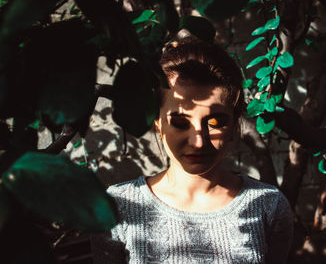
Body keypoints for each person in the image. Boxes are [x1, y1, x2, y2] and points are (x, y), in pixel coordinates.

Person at [91, 33, 293, 264]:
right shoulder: (118, 206)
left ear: (234, 125)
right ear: (158, 122)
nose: (198, 141)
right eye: (180, 122)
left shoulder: (269, 205)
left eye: (215, 122)